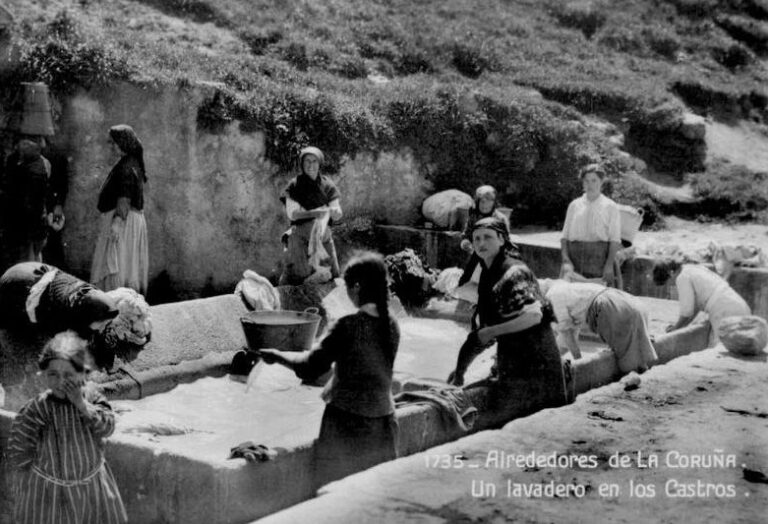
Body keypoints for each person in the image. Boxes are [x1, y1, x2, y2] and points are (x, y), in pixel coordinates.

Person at [259, 251, 399, 487]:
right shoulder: (392, 324)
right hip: (385, 423)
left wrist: (277, 356)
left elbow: (309, 368)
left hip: (348, 424)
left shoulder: (348, 326)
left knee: (337, 496)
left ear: (356, 287)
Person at [7, 331, 128, 523]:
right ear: (43, 376)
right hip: (49, 493)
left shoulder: (93, 399)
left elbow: (108, 428)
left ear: (83, 375)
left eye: (69, 375)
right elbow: (19, 448)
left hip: (92, 489)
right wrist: (26, 485)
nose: (61, 381)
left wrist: (82, 406)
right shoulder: (38, 407)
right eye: (53, 374)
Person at [447, 217, 567, 411]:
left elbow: (533, 315)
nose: (481, 243)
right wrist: (460, 372)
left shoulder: (514, 271)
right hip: (513, 362)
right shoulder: (488, 274)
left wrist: (492, 331)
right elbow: (480, 336)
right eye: (476, 238)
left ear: (502, 240)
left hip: (538, 361)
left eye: (487, 237)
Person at [540, 279, 658, 372]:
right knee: (636, 350)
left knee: (628, 362)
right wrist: (548, 361)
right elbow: (565, 340)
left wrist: (580, 363)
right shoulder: (566, 290)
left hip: (606, 306)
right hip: (624, 300)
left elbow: (567, 333)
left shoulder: (552, 295)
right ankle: (642, 370)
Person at [91, 124, 148, 295]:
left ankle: (115, 303)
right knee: (123, 265)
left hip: (123, 220)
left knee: (116, 265)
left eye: (112, 143)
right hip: (128, 219)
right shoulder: (131, 163)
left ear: (121, 143)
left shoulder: (126, 167)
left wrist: (116, 223)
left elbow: (124, 197)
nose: (110, 147)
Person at [0, 262, 118, 336]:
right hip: (18, 283)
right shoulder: (64, 311)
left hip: (34, 271)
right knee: (27, 332)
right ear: (88, 316)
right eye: (102, 324)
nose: (103, 328)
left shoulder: (86, 295)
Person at [279, 146, 342, 285]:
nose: (311, 165)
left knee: (332, 278)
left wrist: (336, 212)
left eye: (314, 161)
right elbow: (293, 215)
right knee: (300, 279)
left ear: (320, 164)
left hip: (323, 238)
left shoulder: (327, 185)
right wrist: (316, 213)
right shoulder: (295, 185)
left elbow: (336, 211)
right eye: (307, 161)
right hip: (300, 238)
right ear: (302, 163)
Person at [652, 258, 751, 345]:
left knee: (721, 348)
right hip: (737, 303)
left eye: (670, 281)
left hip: (724, 311)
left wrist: (675, 328)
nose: (672, 285)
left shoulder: (682, 277)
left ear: (671, 273)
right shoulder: (693, 268)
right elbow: (695, 307)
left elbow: (687, 311)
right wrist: (680, 326)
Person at [560, 164, 622, 288]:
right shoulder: (574, 205)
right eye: (586, 181)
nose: (590, 185)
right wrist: (566, 261)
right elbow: (564, 237)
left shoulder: (610, 206)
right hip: (574, 262)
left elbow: (614, 240)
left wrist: (609, 265)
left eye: (594, 180)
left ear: (601, 182)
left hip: (599, 262)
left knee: (598, 300)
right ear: (582, 183)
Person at [0, 137, 49, 270]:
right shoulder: (34, 165)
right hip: (30, 225)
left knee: (25, 263)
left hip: (26, 227)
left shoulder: (32, 170)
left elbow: (29, 203)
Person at [457, 185, 515, 287]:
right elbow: (467, 233)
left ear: (493, 203)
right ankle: (462, 285)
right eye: (482, 202)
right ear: (477, 202)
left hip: (495, 254)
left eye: (488, 203)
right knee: (470, 268)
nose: (485, 206)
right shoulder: (474, 216)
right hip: (477, 251)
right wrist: (466, 242)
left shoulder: (500, 219)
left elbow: (506, 240)